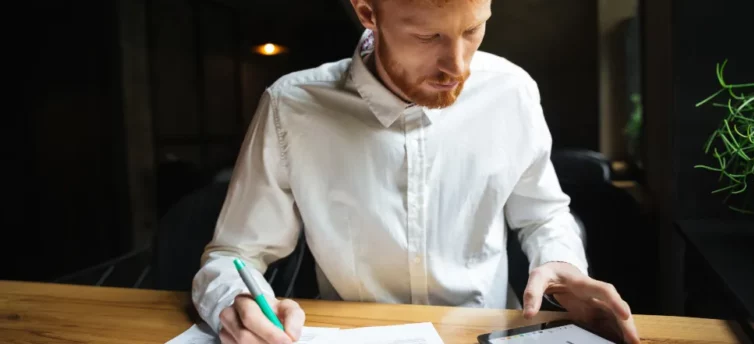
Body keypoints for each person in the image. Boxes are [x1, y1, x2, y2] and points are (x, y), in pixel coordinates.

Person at [191, 1, 640, 343]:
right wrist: (236, 300)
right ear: (368, 11)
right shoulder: (291, 107)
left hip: (485, 335)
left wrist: (560, 261)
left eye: (473, 28)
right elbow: (234, 254)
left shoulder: (511, 91)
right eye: (428, 37)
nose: (458, 66)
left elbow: (544, 214)